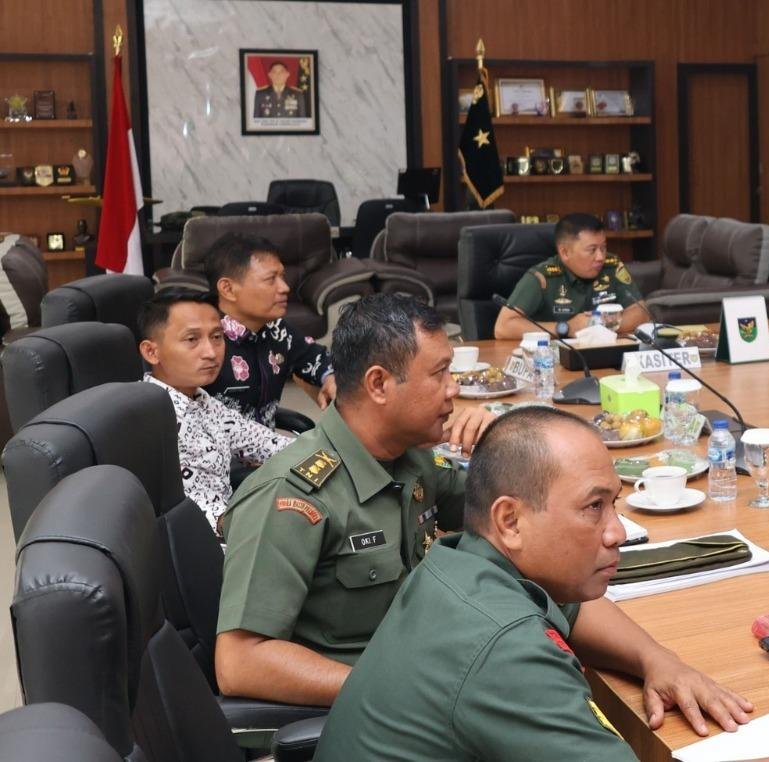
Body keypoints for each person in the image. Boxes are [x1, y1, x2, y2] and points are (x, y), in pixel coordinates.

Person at [314, 407, 769, 762]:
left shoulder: (456, 564)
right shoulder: (508, 651)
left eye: (615, 503)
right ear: (510, 519)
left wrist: (658, 660)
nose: (619, 532)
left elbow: (567, 611)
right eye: (593, 508)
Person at [214, 294, 496, 706]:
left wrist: (500, 446)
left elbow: (503, 512)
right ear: (379, 384)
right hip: (373, 712)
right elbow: (240, 662)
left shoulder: (410, 456)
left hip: (428, 665)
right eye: (440, 373)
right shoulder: (290, 495)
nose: (455, 388)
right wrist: (398, 695)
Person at [138, 289, 292, 532]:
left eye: (217, 337)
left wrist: (327, 450)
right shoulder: (151, 419)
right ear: (151, 352)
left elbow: (262, 442)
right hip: (204, 550)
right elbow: (182, 515)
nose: (211, 352)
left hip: (234, 527)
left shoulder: (200, 398)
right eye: (192, 339)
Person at [202, 232, 336, 427]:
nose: (284, 288)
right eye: (270, 279)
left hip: (269, 452)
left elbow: (318, 358)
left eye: (282, 276)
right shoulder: (203, 341)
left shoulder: (278, 331)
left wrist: (331, 377)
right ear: (228, 289)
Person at [495, 213, 648, 339]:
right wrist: (566, 328)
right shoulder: (542, 277)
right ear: (565, 252)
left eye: (603, 247)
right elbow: (503, 327)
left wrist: (602, 323)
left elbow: (641, 313)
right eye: (592, 249)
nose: (601, 256)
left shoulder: (612, 266)